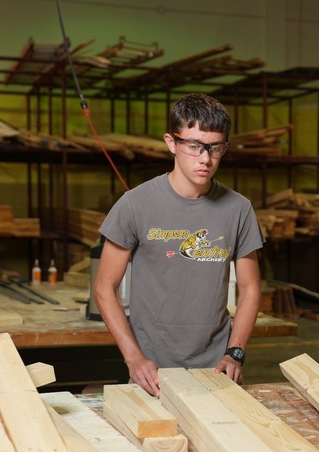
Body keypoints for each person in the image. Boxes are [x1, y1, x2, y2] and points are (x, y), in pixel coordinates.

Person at [94, 93, 264, 397]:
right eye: (194, 146)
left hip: (216, 371)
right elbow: (104, 287)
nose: (206, 159)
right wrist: (134, 358)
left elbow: (250, 288)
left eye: (216, 148)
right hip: (152, 372)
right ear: (171, 142)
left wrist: (235, 352)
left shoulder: (239, 209)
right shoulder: (135, 204)